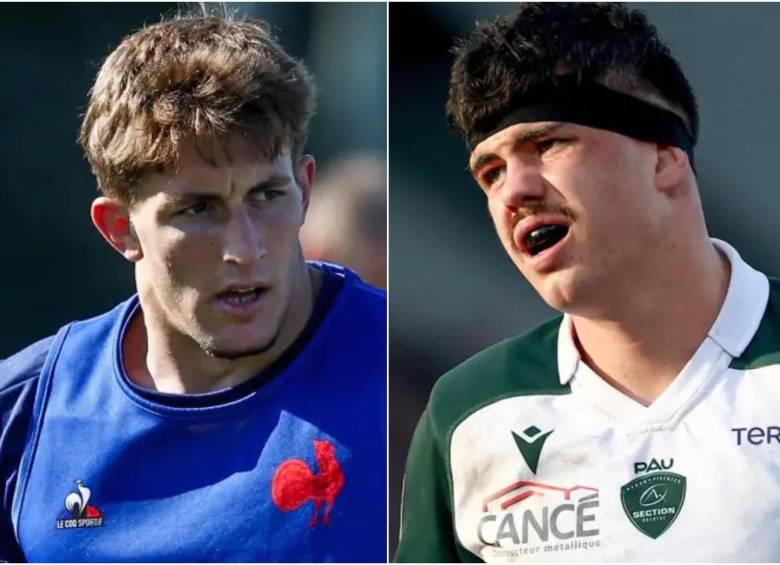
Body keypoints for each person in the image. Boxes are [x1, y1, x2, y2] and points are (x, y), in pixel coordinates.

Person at [395, 3, 780, 562]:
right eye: (491, 171)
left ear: (665, 160)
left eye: (547, 144)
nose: (513, 192)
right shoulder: (468, 413)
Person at [0, 13, 386, 562]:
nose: (244, 248)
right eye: (199, 208)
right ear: (120, 229)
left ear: (304, 189)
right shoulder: (23, 417)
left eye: (266, 196)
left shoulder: (418, 389)